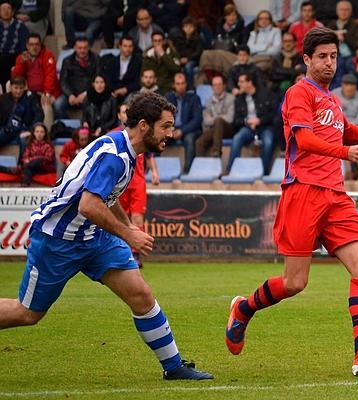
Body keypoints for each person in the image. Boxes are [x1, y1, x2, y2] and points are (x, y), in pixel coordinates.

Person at [224, 27, 358, 377]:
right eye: (322, 57)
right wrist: (346, 153)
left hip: (335, 195)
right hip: (303, 191)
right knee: (294, 283)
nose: (329, 63)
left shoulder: (331, 98)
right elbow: (305, 140)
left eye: (333, 56)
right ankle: (243, 309)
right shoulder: (298, 93)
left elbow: (348, 130)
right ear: (306, 59)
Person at [0, 92, 213, 381]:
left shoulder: (127, 150)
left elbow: (107, 198)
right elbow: (89, 204)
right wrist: (127, 233)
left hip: (94, 237)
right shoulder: (115, 156)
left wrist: (128, 230)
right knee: (27, 313)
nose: (170, 133)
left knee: (141, 295)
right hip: (58, 240)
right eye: (165, 126)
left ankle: (173, 366)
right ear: (143, 126)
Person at [116, 102, 158, 268]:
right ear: (119, 115)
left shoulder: (142, 134)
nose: (125, 114)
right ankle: (123, 252)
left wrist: (154, 172)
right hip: (121, 182)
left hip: (138, 181)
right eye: (123, 112)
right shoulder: (115, 136)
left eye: (128, 112)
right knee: (122, 218)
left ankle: (135, 254)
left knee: (137, 217)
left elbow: (149, 155)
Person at [225, 72, 277, 175]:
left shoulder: (266, 94)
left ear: (250, 82)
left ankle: (263, 173)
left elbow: (274, 114)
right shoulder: (239, 99)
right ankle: (230, 171)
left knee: (268, 141)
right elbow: (236, 120)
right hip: (248, 127)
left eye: (241, 82)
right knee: (237, 138)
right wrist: (247, 121)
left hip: (265, 126)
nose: (239, 84)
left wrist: (259, 120)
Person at [11, 33, 60, 128]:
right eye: (31, 45)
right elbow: (15, 79)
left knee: (46, 105)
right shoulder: (22, 57)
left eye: (37, 44)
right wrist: (22, 63)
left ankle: (47, 134)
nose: (34, 47)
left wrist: (47, 93)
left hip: (45, 92)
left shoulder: (47, 55)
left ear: (40, 45)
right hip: (29, 93)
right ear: (27, 46)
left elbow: (50, 76)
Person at [54, 37, 100, 119]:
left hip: (89, 92)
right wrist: (70, 94)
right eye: (79, 48)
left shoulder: (96, 59)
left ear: (89, 47)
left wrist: (85, 93)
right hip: (71, 93)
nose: (82, 51)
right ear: (75, 48)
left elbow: (98, 79)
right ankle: (67, 128)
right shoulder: (67, 60)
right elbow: (63, 81)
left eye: (85, 48)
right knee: (58, 105)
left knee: (92, 105)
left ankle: (86, 128)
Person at [165, 72, 202, 173]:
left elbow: (197, 120)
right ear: (173, 85)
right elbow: (163, 118)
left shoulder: (194, 98)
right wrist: (169, 129)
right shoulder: (168, 98)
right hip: (172, 129)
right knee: (157, 137)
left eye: (182, 83)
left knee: (189, 139)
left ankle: (188, 171)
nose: (180, 86)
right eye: (178, 83)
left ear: (186, 84)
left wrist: (182, 130)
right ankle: (152, 169)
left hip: (189, 129)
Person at [195, 75, 235, 157]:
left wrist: (215, 118)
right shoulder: (208, 101)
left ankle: (216, 152)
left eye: (219, 84)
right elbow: (206, 120)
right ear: (212, 87)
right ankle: (201, 167)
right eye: (215, 85)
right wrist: (219, 117)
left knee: (219, 121)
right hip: (215, 129)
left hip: (228, 129)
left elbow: (230, 118)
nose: (217, 87)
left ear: (224, 86)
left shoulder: (231, 99)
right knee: (199, 142)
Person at [0, 76, 43, 150]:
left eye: (21, 88)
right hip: (6, 128)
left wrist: (31, 131)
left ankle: (23, 161)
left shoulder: (31, 98)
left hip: (24, 129)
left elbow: (39, 115)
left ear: (25, 87)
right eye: (16, 88)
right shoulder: (3, 98)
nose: (18, 91)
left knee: (25, 140)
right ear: (11, 87)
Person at [102, 35, 143, 103]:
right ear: (120, 46)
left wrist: (126, 89)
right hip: (113, 91)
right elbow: (108, 80)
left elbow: (137, 81)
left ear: (133, 48)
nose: (128, 49)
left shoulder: (138, 62)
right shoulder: (111, 62)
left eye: (130, 46)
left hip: (130, 91)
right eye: (125, 46)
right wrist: (115, 90)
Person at [0, 1, 28, 92]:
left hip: (14, 56)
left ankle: (7, 90)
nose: (6, 11)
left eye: (8, 9)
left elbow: (24, 43)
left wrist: (23, 53)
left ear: (12, 12)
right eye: (3, 9)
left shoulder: (20, 26)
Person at [19, 121, 54, 186]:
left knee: (38, 161)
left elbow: (48, 158)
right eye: (37, 132)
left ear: (45, 133)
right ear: (34, 133)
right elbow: (25, 158)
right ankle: (25, 185)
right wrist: (33, 161)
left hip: (44, 167)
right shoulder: (30, 145)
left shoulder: (48, 145)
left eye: (41, 132)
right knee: (29, 169)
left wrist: (34, 159)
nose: (39, 134)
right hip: (32, 167)